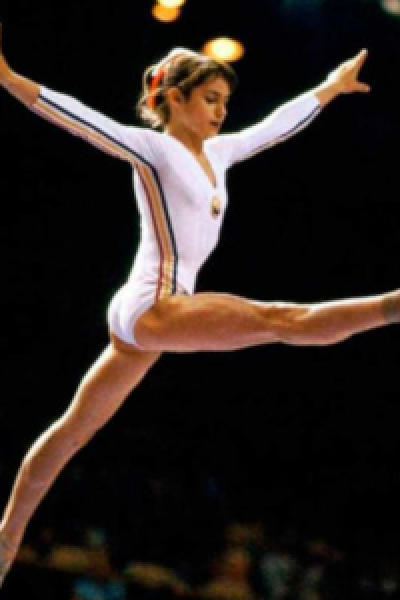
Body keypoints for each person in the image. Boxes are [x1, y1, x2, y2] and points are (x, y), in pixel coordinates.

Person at [1, 22, 399, 586]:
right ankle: (392, 305)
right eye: (209, 100)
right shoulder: (154, 147)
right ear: (174, 99)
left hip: (150, 318)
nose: (220, 111)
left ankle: (6, 538)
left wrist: (330, 88)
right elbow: (81, 120)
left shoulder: (220, 152)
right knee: (280, 320)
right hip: (153, 306)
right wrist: (9, 78)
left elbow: (274, 126)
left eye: (225, 102)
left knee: (71, 434)